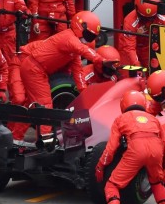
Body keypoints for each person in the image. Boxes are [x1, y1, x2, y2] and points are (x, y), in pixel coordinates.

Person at [92, 91, 165, 204]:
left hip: (136, 150)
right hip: (156, 151)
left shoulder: (121, 119)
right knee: (156, 182)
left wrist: (100, 166)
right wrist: (164, 166)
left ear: (124, 104)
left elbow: (110, 149)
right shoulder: (153, 119)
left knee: (112, 185)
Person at [19, 10, 104, 139]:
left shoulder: (74, 49)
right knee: (45, 106)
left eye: (91, 37)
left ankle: (14, 136)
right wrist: (100, 59)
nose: (88, 39)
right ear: (80, 27)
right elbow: (82, 49)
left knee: (28, 106)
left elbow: (78, 72)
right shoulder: (68, 38)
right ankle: (45, 140)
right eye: (88, 35)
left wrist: (84, 93)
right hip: (34, 68)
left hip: (37, 69)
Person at [118, 0, 165, 68]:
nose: (147, 20)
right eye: (144, 17)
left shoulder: (164, 18)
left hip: (150, 47)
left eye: (150, 18)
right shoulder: (130, 21)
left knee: (153, 70)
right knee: (129, 72)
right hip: (130, 48)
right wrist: (136, 64)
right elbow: (129, 47)